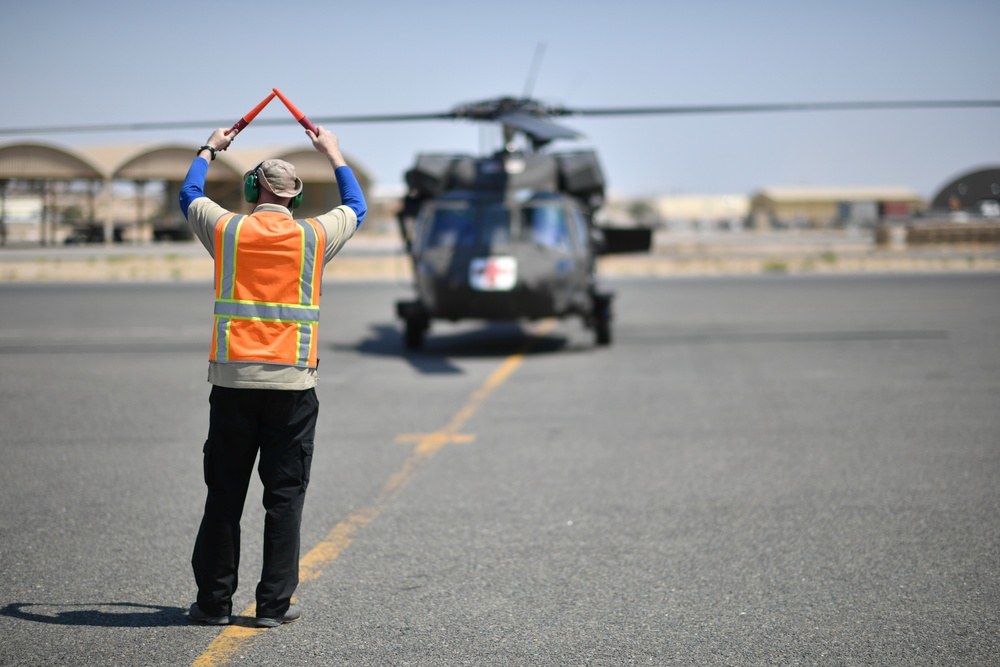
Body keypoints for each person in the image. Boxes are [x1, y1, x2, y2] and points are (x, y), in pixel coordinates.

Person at [178, 124, 366, 628]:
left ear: (250, 190)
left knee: (225, 495)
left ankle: (214, 603)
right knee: (284, 500)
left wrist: (210, 149)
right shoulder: (313, 235)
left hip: (234, 384)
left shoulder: (227, 230)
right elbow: (357, 206)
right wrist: (333, 152)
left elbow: (189, 193)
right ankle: (273, 606)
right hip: (293, 388)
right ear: (295, 197)